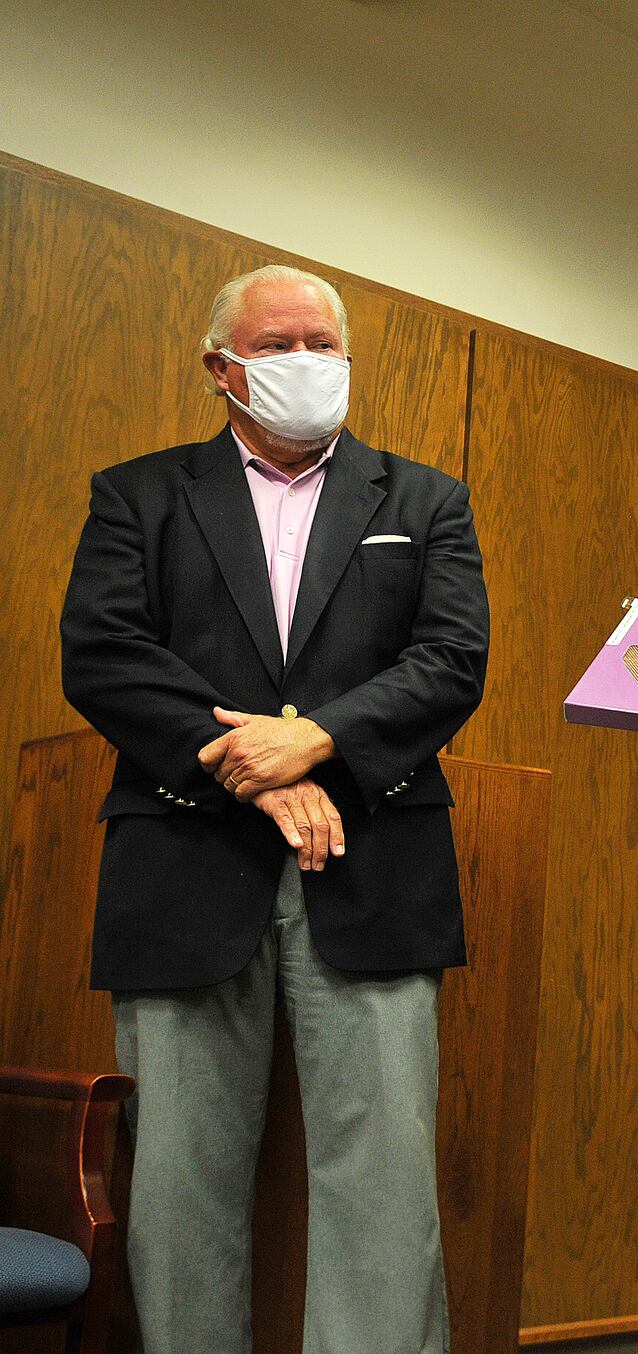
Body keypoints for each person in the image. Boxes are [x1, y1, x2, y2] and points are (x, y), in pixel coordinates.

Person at [60, 263, 490, 1354]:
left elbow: (450, 661)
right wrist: (257, 764)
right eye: (281, 343)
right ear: (222, 367)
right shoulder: (138, 493)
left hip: (376, 864)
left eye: (324, 344)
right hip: (184, 862)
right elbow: (105, 655)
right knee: (179, 1184)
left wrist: (323, 736)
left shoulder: (426, 498)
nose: (309, 363)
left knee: (384, 1183)